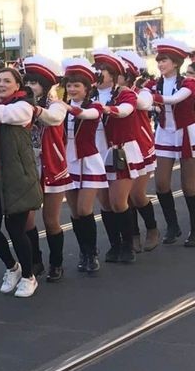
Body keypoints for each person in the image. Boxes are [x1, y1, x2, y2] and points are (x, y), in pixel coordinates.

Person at [0, 66, 44, 297]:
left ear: (17, 86)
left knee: (16, 230)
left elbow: (3, 115)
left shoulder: (23, 107)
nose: (1, 85)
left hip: (15, 179)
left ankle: (28, 277)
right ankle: (12, 267)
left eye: (6, 81)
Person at [92, 49, 145, 264]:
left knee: (118, 202)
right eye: (96, 69)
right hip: (95, 154)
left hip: (120, 151)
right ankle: (114, 245)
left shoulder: (125, 93)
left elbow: (124, 110)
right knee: (104, 203)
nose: (98, 73)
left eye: (103, 69)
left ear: (113, 74)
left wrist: (104, 109)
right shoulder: (90, 94)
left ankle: (127, 244)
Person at [22, 56, 71, 282]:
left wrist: (33, 109)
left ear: (46, 85)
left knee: (51, 220)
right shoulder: (19, 106)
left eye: (35, 82)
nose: (30, 86)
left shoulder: (57, 105)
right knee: (26, 220)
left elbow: (53, 119)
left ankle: (56, 263)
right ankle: (35, 260)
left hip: (52, 167)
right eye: (28, 81)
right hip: (28, 168)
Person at [148, 38, 195, 245]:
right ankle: (173, 225)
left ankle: (194, 230)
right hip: (164, 133)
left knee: (189, 186)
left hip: (187, 133)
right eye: (159, 60)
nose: (160, 64)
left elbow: (176, 99)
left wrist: (152, 99)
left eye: (164, 60)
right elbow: (148, 103)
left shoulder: (189, 83)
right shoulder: (153, 85)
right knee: (161, 183)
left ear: (175, 62)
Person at [62, 59, 107, 274]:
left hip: (89, 162)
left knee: (84, 209)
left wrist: (65, 107)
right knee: (74, 212)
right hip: (67, 162)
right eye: (69, 85)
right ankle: (84, 251)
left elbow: (87, 115)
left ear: (87, 89)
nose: (71, 89)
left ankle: (92, 253)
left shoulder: (94, 106)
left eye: (76, 86)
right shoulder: (60, 108)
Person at [117, 50, 160, 251]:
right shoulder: (108, 93)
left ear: (127, 76)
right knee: (123, 196)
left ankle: (152, 229)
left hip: (141, 148)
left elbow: (142, 103)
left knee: (137, 194)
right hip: (119, 148)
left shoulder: (141, 92)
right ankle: (133, 234)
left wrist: (124, 93)